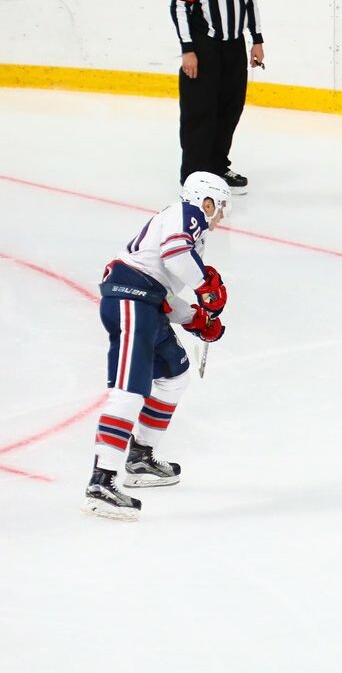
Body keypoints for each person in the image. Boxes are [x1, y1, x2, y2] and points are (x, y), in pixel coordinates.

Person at [83, 172, 232, 521]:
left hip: (147, 303)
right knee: (129, 392)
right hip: (131, 302)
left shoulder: (190, 234)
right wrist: (205, 286)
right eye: (221, 206)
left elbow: (163, 292)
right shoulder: (187, 214)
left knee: (174, 375)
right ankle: (100, 483)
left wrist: (196, 318)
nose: (222, 215)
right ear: (206, 201)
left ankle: (140, 457)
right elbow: (175, 255)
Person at [171, 0, 265, 190]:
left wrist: (257, 39)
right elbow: (180, 4)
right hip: (204, 46)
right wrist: (187, 49)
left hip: (235, 45)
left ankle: (217, 166)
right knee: (200, 112)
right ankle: (193, 176)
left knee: (230, 108)